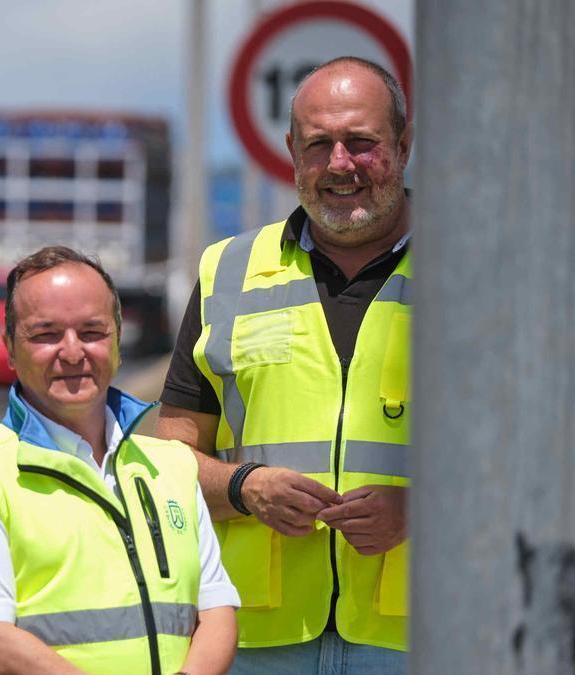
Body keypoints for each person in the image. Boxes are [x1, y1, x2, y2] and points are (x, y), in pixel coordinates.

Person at [156, 56, 412, 675]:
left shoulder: (481, 266)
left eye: (362, 143)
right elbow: (167, 464)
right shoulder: (227, 271)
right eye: (319, 144)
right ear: (292, 150)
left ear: (403, 145)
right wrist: (246, 489)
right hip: (255, 637)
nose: (340, 164)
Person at [0, 246, 239, 675]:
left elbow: (217, 611)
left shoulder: (172, 466)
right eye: (46, 334)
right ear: (11, 349)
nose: (72, 352)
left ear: (119, 343)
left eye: (92, 332)